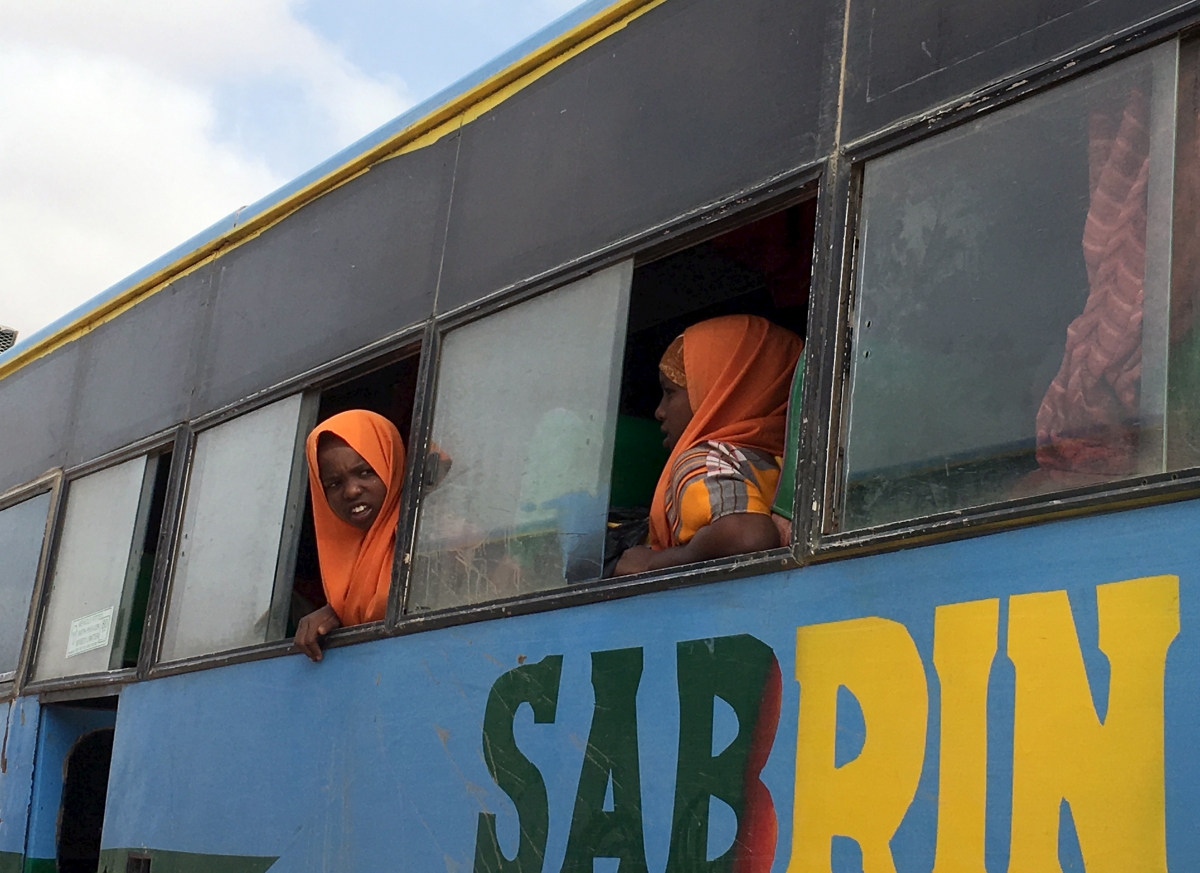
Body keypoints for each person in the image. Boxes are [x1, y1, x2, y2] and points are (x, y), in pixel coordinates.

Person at [613, 314, 803, 576]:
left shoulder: (705, 459)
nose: (659, 411)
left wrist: (650, 564)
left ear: (721, 390)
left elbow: (747, 536)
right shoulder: (803, 462)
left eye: (670, 392)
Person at [294, 409, 406, 661]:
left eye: (365, 472)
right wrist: (337, 614)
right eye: (334, 484)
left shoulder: (430, 536)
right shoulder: (343, 568)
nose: (352, 491)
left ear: (391, 463)